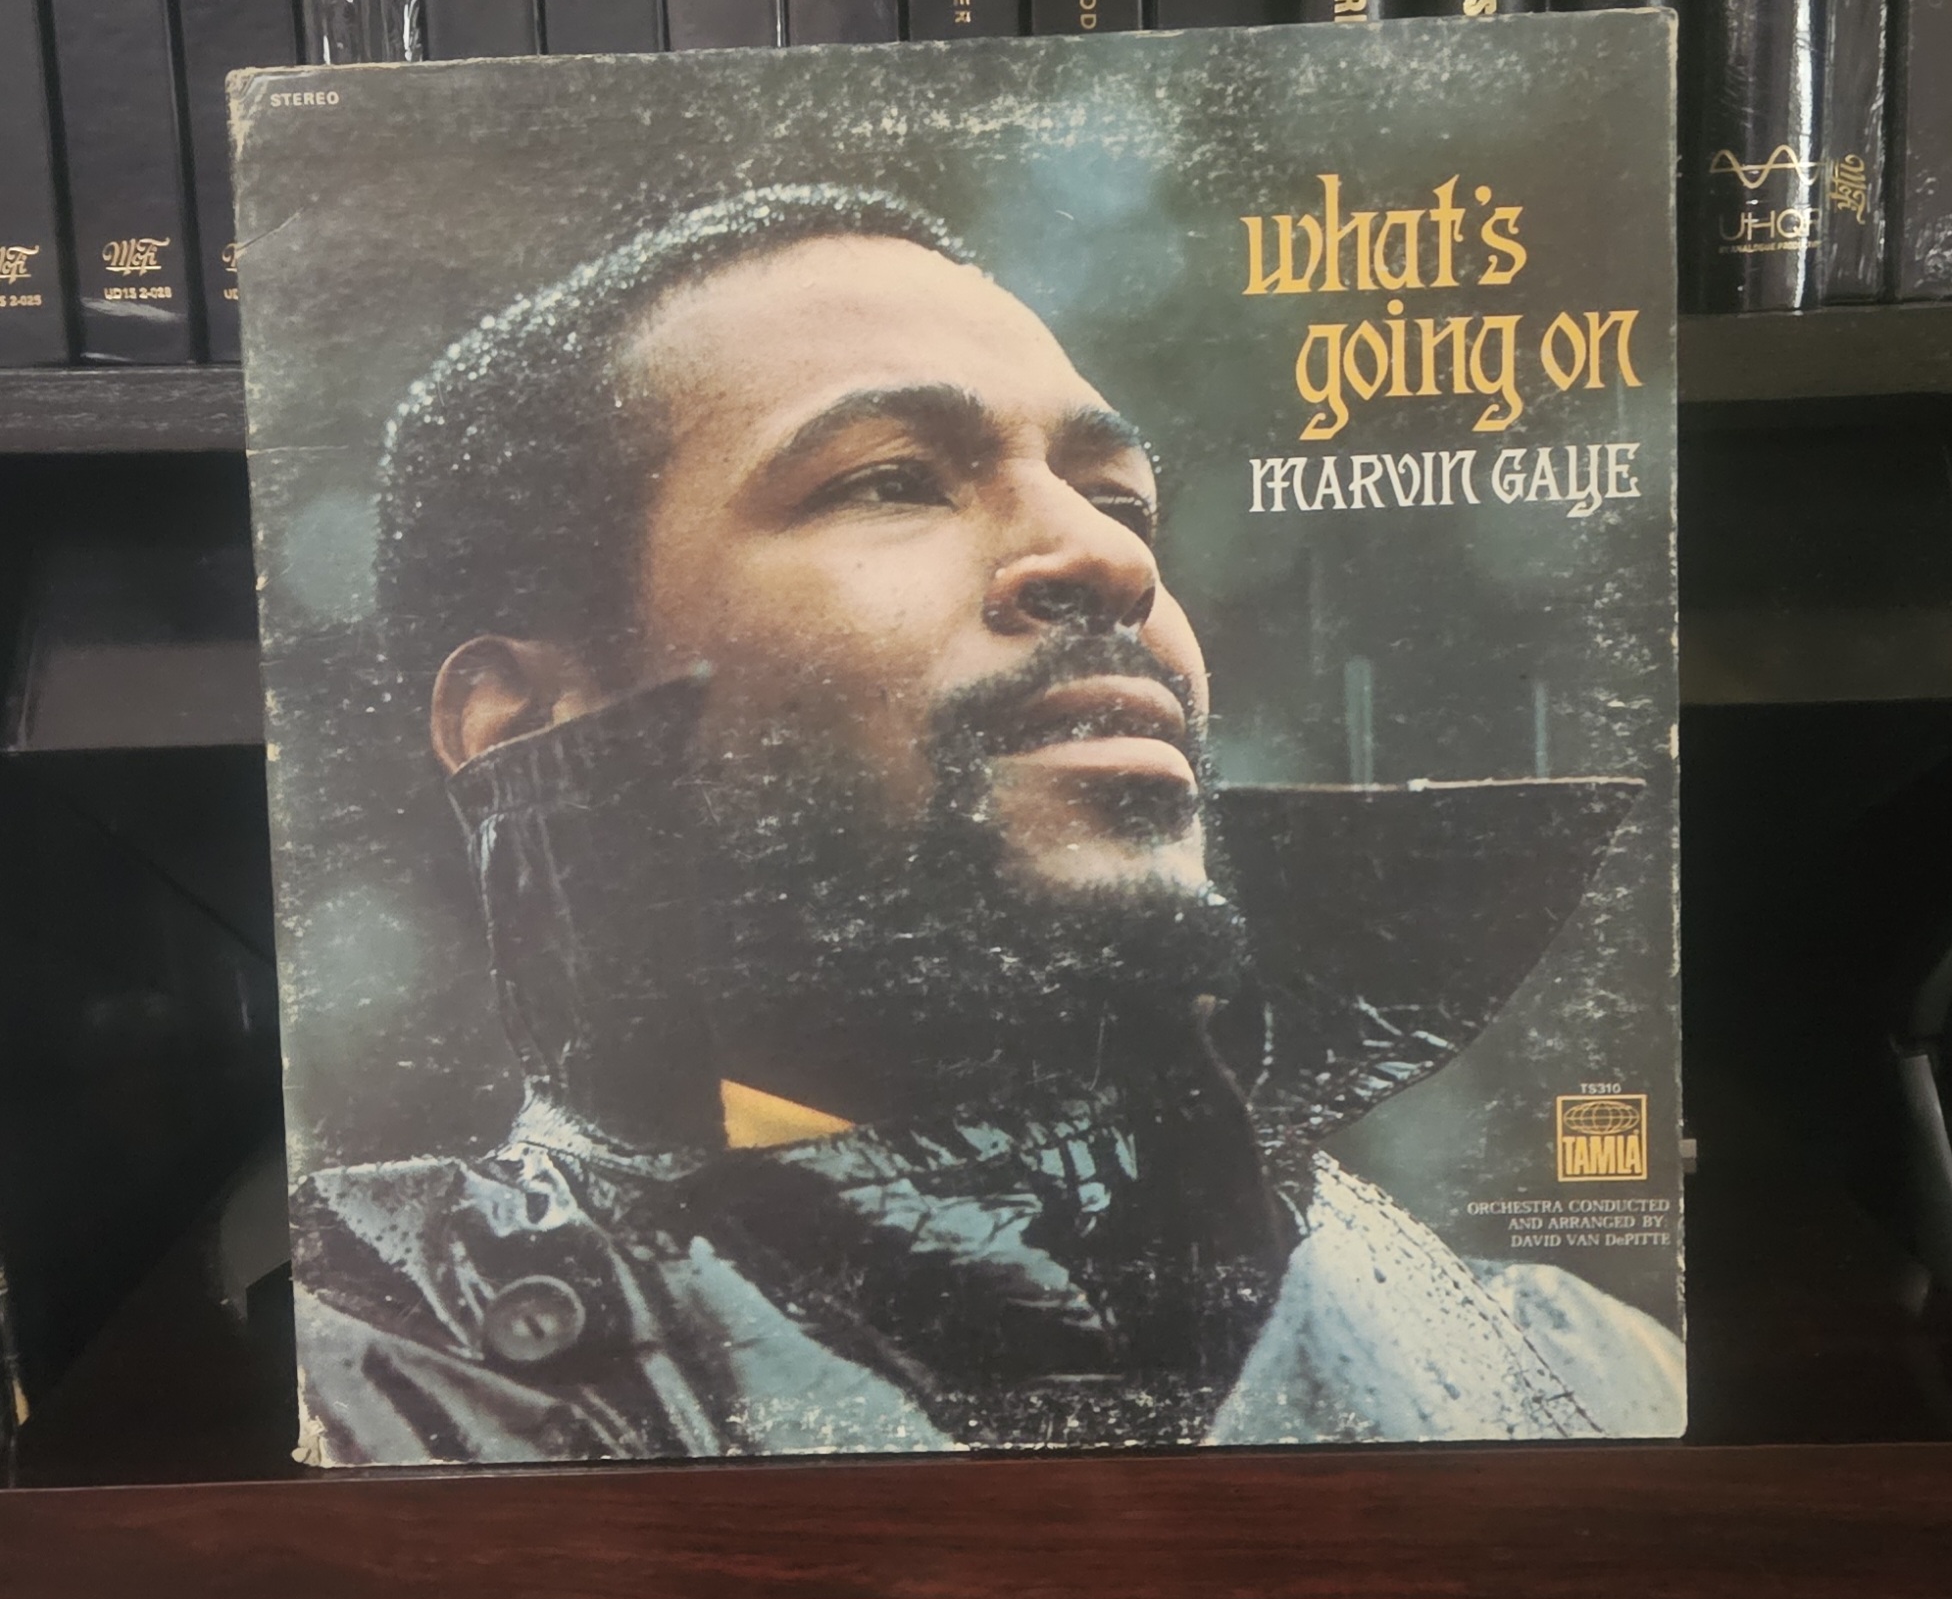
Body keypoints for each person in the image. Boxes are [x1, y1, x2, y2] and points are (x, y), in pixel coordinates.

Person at [290, 185, 1684, 1466]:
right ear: (525, 722)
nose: (1113, 555)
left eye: (1122, 500)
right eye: (892, 479)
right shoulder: (365, 1390)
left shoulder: (1590, 1374)